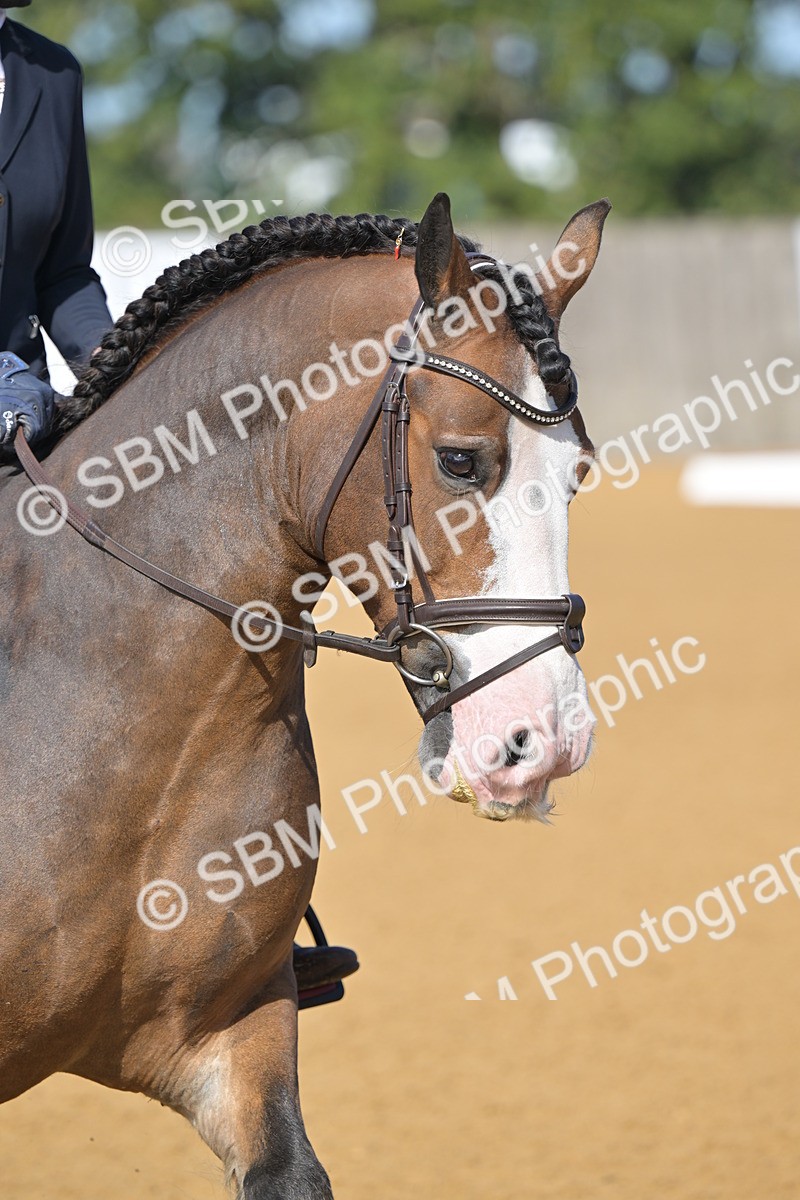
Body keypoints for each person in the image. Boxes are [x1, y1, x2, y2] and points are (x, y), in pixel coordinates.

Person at [0, 3, 358, 1006]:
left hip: (22, 405)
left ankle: (224, 933)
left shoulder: (48, 76)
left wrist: (122, 382)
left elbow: (63, 273)